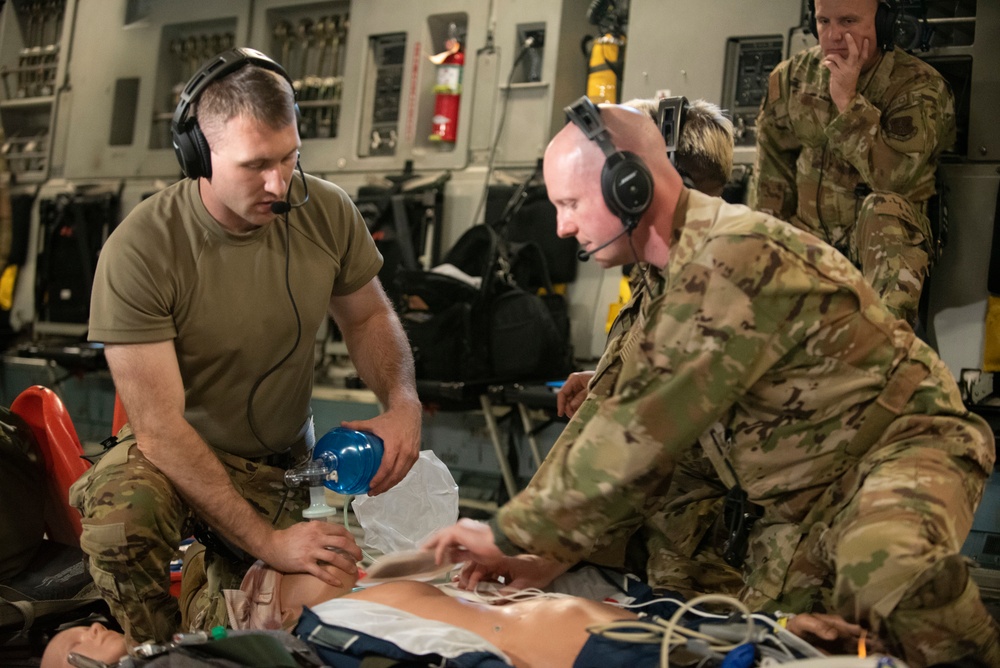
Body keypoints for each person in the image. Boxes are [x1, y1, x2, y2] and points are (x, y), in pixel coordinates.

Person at [423, 101, 1000, 667]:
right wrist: (547, 559)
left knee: (887, 570)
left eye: (570, 203)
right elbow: (634, 441)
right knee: (783, 645)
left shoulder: (728, 258)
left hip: (904, 447)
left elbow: (633, 436)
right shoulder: (671, 278)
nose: (562, 225)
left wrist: (505, 531)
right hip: (803, 501)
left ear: (630, 185)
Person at [68, 48, 422, 647]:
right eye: (256, 164)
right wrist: (269, 543)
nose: (279, 184)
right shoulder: (142, 249)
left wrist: (402, 400)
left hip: (281, 464)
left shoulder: (326, 211)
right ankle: (153, 652)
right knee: (121, 523)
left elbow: (367, 318)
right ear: (198, 157)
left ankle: (213, 611)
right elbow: (159, 428)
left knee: (335, 591)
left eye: (290, 159)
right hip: (177, 456)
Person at [557, 96, 742, 600]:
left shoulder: (714, 272)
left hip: (696, 533)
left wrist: (529, 540)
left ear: (637, 187)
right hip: (664, 514)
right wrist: (601, 375)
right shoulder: (663, 259)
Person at [41, 557, 876, 668]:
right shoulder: (311, 638)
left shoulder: (361, 592)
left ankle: (774, 636)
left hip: (640, 624)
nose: (93, 630)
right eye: (81, 641)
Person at [749, 0, 956, 326]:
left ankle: (883, 347)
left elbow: (894, 180)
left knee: (883, 207)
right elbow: (772, 173)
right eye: (823, 21)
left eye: (848, 21)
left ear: (884, 22)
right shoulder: (793, 78)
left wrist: (848, 103)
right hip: (811, 244)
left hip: (881, 245)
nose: (833, 35)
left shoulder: (919, 86)